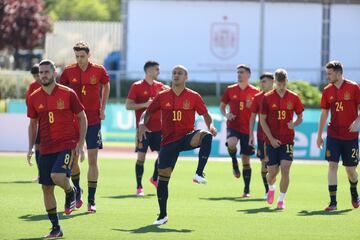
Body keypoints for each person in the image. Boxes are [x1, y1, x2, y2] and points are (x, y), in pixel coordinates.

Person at [139, 65, 217, 225]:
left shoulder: (194, 96)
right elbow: (148, 112)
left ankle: (199, 173)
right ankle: (162, 215)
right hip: (168, 142)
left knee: (206, 136)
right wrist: (141, 123)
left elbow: (206, 114)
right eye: (174, 73)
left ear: (186, 77)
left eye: (180, 73)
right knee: (163, 180)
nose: (176, 75)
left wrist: (211, 126)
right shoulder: (162, 96)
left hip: (187, 137)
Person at [27, 59, 87, 238]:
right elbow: (32, 124)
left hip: (66, 144)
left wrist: (80, 143)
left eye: (47, 72)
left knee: (57, 176)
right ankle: (56, 228)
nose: (43, 75)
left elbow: (82, 117)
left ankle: (72, 191)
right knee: (46, 188)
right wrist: (30, 148)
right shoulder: (34, 97)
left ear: (54, 73)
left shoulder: (68, 93)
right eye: (41, 72)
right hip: (45, 147)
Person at [59, 41, 110, 213]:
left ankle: (91, 200)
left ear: (89, 55)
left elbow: (106, 85)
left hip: (94, 120)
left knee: (93, 159)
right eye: (77, 56)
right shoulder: (68, 71)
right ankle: (78, 191)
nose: (80, 60)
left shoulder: (99, 70)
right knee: (73, 159)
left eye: (82, 56)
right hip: (74, 120)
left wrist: (102, 109)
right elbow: (62, 91)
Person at [316, 60, 360, 211]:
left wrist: (357, 122)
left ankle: (354, 192)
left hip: (351, 136)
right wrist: (319, 135)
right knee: (332, 165)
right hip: (333, 134)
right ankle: (333, 202)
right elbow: (324, 113)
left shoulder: (353, 87)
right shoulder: (327, 90)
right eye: (326, 73)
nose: (327, 76)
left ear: (339, 72)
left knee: (350, 171)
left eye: (330, 73)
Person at [259, 69, 303, 209]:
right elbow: (262, 120)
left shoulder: (294, 97)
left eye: (283, 83)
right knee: (271, 173)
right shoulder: (267, 97)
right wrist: (271, 139)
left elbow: (300, 117)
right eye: (279, 84)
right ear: (275, 82)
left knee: (285, 168)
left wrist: (294, 124)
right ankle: (271, 188)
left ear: (286, 82)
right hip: (272, 141)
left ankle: (281, 200)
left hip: (287, 140)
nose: (281, 86)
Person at [126, 61, 166, 196]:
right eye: (157, 69)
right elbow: (128, 105)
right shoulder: (137, 86)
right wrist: (145, 104)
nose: (158, 72)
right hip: (143, 129)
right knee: (141, 158)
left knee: (163, 155)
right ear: (149, 71)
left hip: (159, 128)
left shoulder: (160, 87)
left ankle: (154, 178)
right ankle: (139, 187)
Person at [220, 64, 260, 197]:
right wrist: (226, 115)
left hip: (247, 128)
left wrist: (252, 107)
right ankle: (233, 162)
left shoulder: (255, 91)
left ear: (248, 75)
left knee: (246, 159)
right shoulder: (230, 89)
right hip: (233, 125)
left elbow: (260, 111)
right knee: (231, 143)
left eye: (241, 72)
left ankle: (246, 189)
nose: (239, 75)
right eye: (237, 72)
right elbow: (222, 106)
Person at [249, 72, 274, 198]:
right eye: (261, 81)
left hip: (277, 136)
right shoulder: (257, 97)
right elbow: (252, 117)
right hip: (261, 136)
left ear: (272, 82)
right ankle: (268, 190)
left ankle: (273, 187)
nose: (262, 84)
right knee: (264, 162)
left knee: (275, 164)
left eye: (265, 81)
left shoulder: (278, 96)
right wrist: (251, 135)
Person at [25, 64, 42, 181]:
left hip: (50, 121)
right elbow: (28, 101)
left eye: (38, 75)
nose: (37, 78)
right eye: (34, 76)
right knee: (37, 147)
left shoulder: (49, 84)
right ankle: (40, 173)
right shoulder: (32, 86)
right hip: (38, 121)